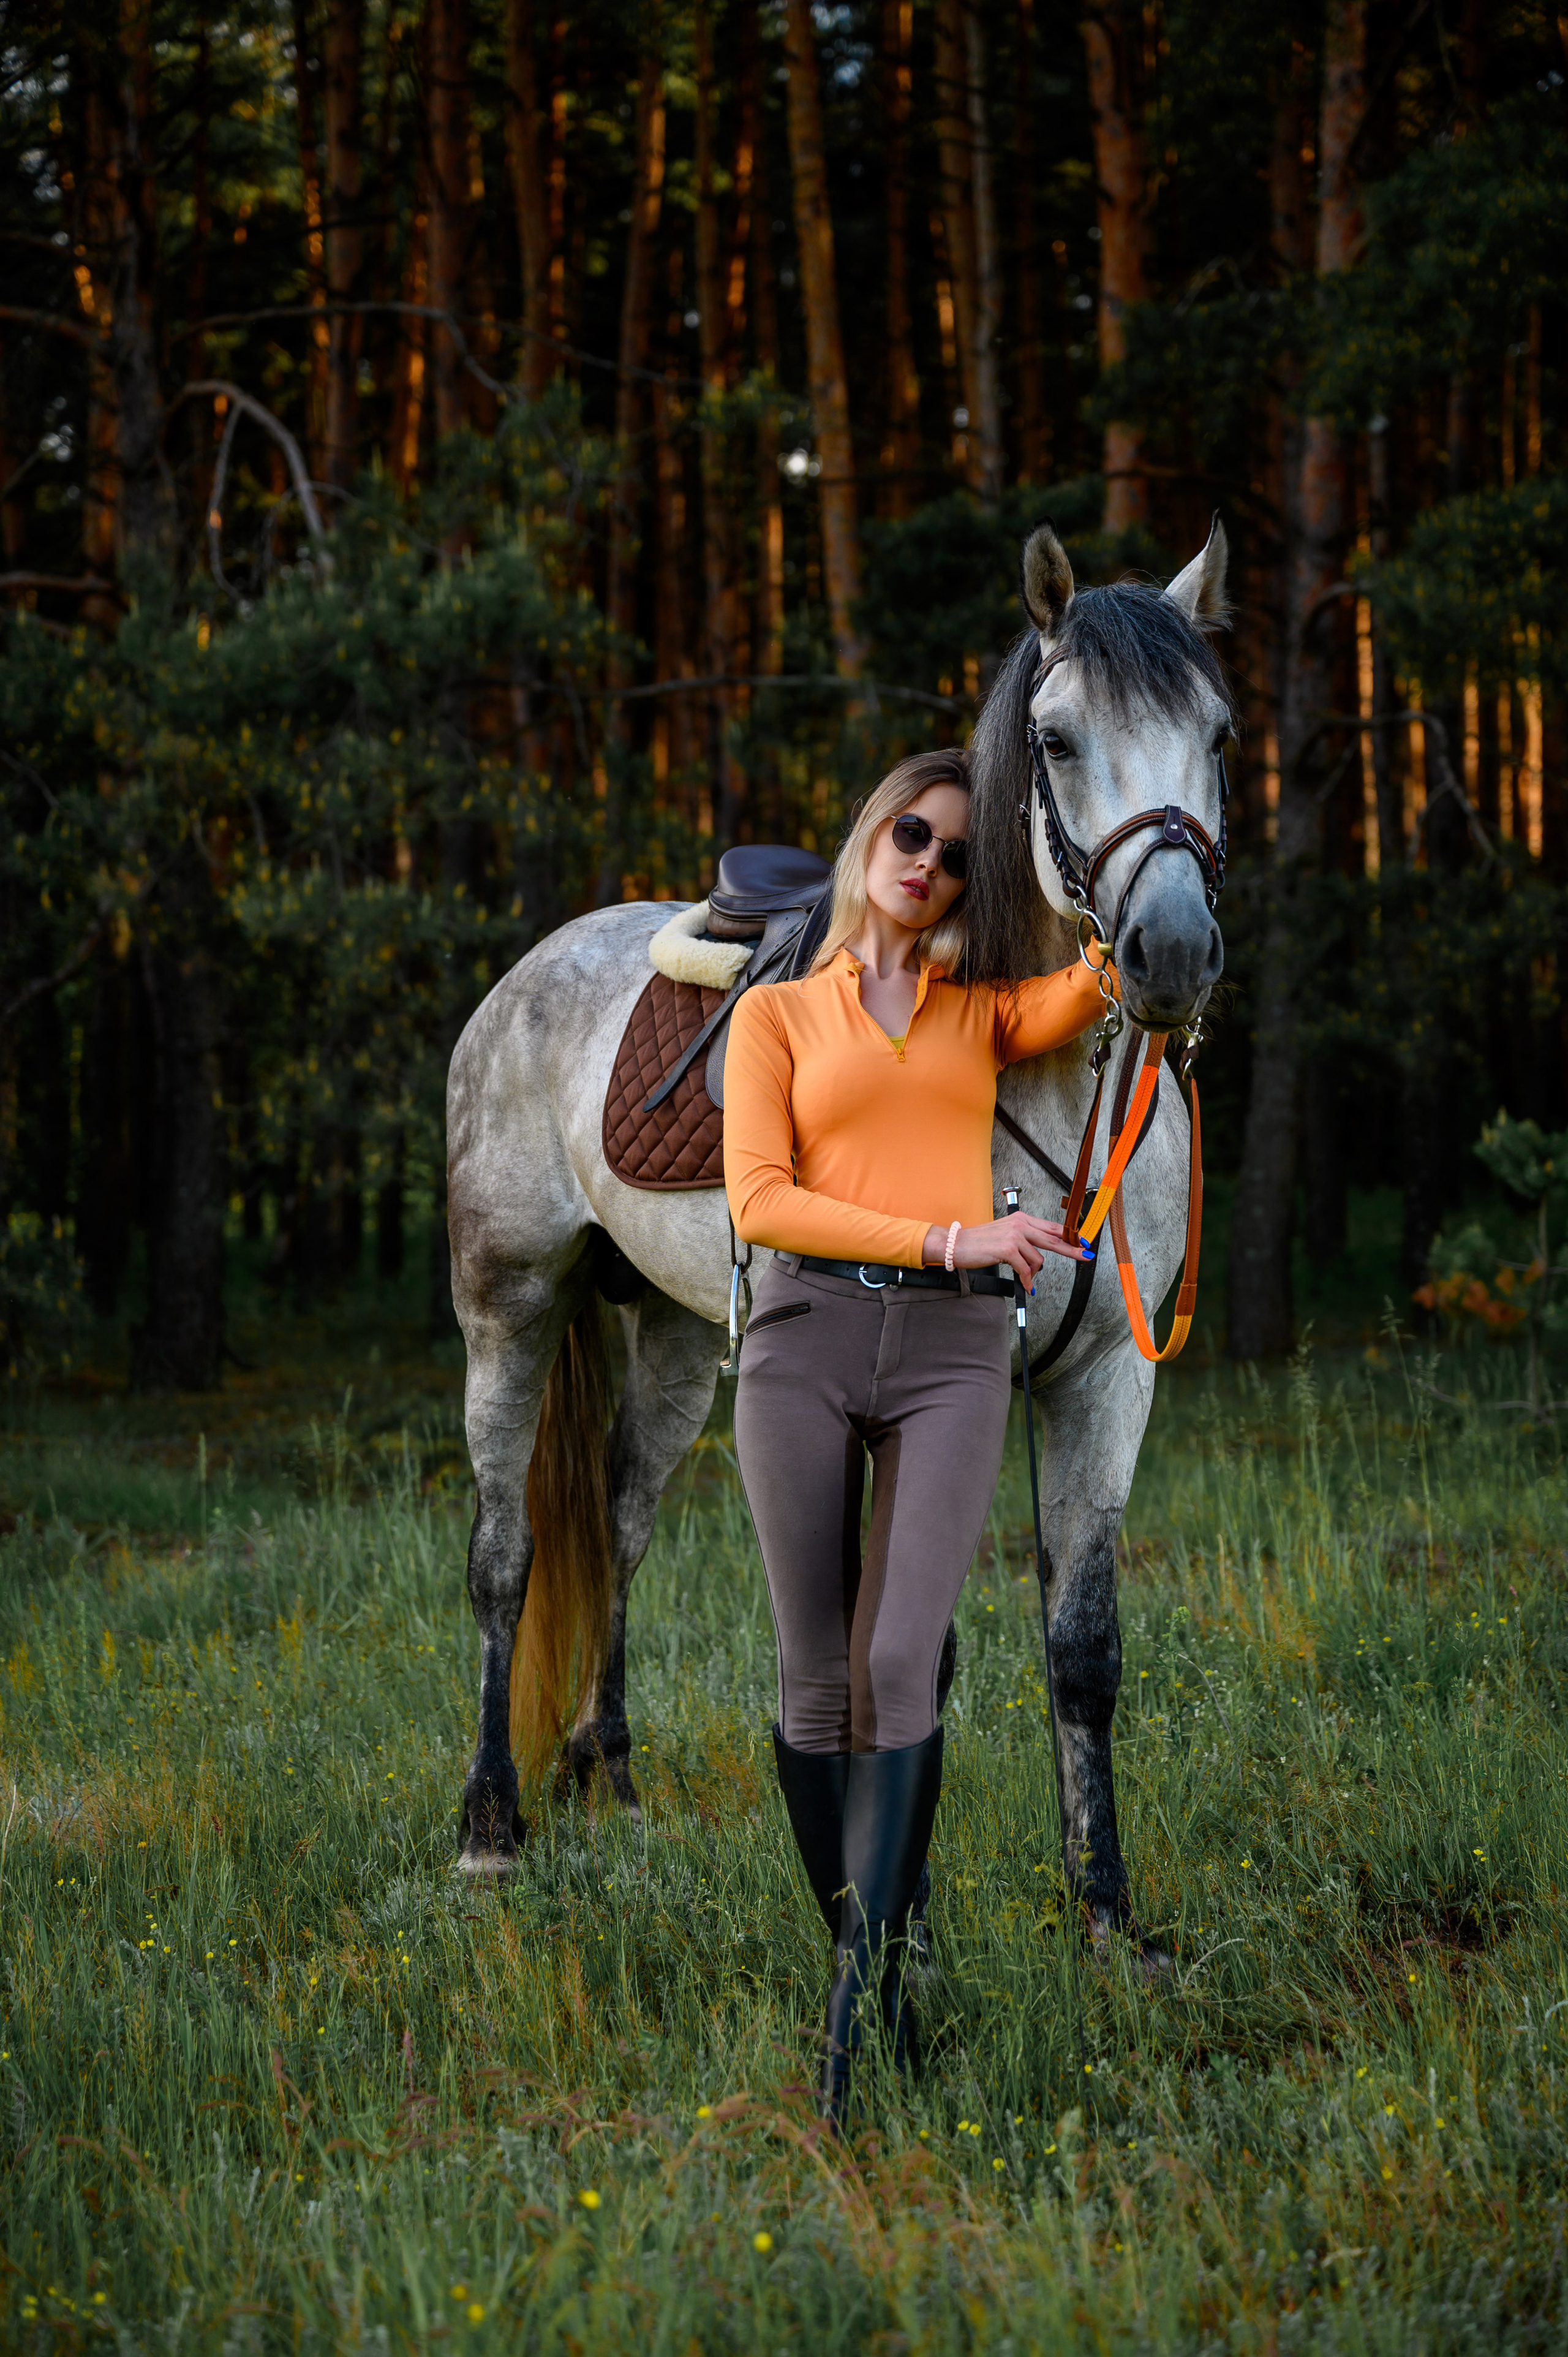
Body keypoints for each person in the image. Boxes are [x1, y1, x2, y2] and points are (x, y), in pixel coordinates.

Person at [722, 746, 1111, 2128]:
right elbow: (761, 1201)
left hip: (954, 1353)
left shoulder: (981, 1014)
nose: (928, 864)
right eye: (911, 835)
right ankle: (873, 1974)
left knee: (902, 1661)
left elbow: (1112, 965)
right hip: (802, 1338)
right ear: (868, 834)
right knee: (814, 1675)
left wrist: (1151, 847)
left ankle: (850, 2016)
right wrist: (954, 1233)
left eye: (953, 854)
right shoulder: (774, 1018)